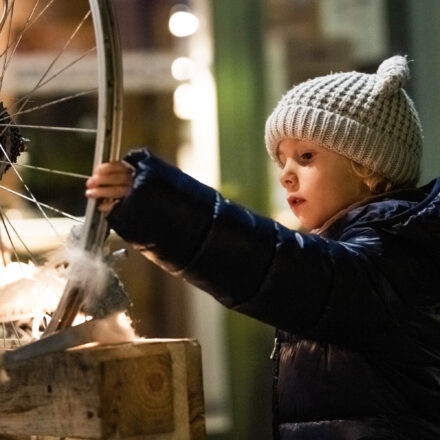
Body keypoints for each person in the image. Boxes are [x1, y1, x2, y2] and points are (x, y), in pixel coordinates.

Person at [85, 55, 440, 439]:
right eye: (281, 159)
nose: (286, 175)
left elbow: (286, 269)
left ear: (368, 168)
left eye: (306, 157)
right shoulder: (361, 250)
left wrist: (158, 205)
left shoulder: (391, 257)